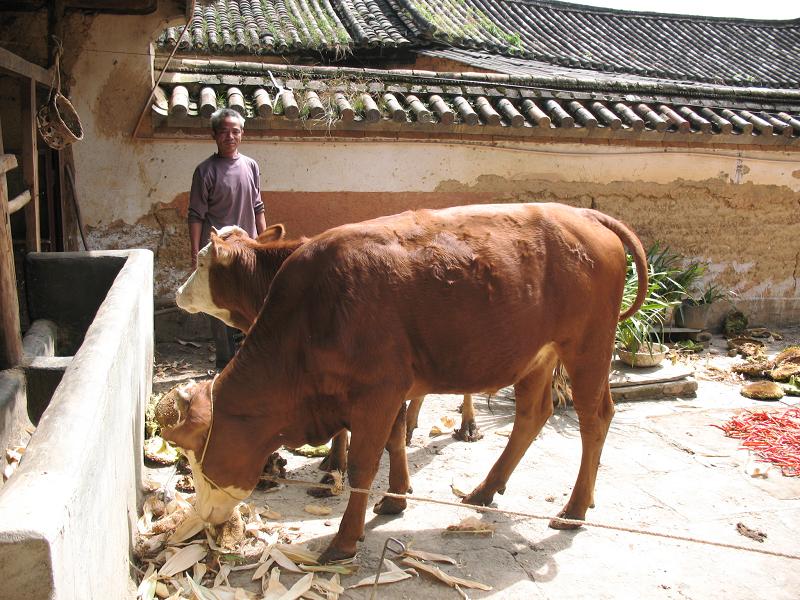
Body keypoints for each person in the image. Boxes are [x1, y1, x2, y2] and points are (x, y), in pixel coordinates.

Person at [188, 107, 267, 370]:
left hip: (248, 248)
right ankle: (225, 362)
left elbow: (258, 207)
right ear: (214, 135)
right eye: (224, 132)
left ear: (242, 134)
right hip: (218, 250)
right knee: (220, 304)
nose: (230, 137)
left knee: (251, 302)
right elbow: (196, 215)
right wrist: (195, 251)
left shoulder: (251, 166)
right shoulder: (205, 171)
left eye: (235, 131)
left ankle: (251, 358)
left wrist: (263, 241)